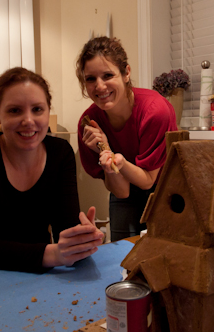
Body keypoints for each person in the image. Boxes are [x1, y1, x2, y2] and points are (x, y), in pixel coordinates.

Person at [0, 67, 104, 279]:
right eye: (15, 110)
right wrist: (55, 254)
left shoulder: (60, 153)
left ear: (48, 111)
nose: (28, 120)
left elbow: (64, 231)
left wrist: (82, 239)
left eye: (37, 109)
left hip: (35, 277)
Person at [76, 37, 177, 241]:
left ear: (126, 73)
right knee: (121, 257)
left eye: (107, 75)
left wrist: (116, 159)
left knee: (163, 257)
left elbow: (149, 181)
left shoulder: (155, 111)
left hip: (166, 189)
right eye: (90, 79)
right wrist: (106, 155)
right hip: (126, 190)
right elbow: (121, 192)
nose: (100, 86)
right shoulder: (89, 124)